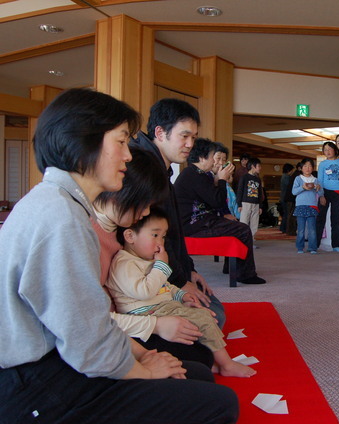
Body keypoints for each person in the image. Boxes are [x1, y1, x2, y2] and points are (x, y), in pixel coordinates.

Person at [0, 88, 238, 424]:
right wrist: (143, 369)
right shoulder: (61, 219)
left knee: (196, 376)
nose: (128, 156)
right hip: (35, 384)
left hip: (50, 365)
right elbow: (87, 340)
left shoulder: (56, 203)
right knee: (218, 403)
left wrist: (141, 355)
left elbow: (90, 324)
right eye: (121, 142)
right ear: (83, 142)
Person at [94, 147, 215, 368]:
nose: (147, 213)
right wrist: (156, 325)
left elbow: (161, 278)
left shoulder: (118, 227)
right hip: (119, 326)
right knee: (200, 363)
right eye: (145, 204)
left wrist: (179, 296)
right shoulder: (86, 234)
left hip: (132, 319)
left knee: (204, 345)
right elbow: (87, 321)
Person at [106, 209, 257, 378]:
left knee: (203, 315)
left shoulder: (145, 259)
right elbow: (145, 292)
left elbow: (165, 286)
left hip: (160, 307)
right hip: (146, 312)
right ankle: (226, 364)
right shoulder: (125, 263)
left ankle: (211, 359)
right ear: (130, 236)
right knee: (203, 319)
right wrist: (161, 266)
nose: (160, 244)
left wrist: (180, 295)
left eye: (163, 237)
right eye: (154, 235)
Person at [131, 98, 228, 323]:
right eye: (184, 136)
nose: (190, 144)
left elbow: (174, 233)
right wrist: (181, 281)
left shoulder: (162, 169)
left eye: (193, 137)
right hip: (146, 280)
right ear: (160, 132)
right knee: (214, 318)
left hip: (168, 274)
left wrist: (189, 272)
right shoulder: (143, 170)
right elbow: (152, 241)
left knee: (212, 307)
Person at [173, 138, 266, 285]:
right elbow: (218, 201)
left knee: (236, 226)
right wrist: (221, 180)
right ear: (202, 157)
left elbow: (213, 200)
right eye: (212, 157)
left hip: (199, 221)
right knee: (243, 229)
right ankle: (245, 274)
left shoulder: (194, 173)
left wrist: (217, 181)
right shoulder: (194, 175)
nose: (215, 162)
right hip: (193, 225)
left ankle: (233, 268)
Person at [316, 141, 339, 252]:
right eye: (325, 150)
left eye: (329, 149)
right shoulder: (322, 164)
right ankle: (315, 244)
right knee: (320, 219)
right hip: (325, 192)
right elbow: (319, 181)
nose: (327, 152)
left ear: (335, 149)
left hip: (338, 193)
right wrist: (321, 195)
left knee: (337, 219)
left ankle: (336, 245)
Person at [292, 158, 323, 254]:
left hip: (312, 206)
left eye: (310, 166)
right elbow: (294, 192)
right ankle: (300, 247)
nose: (307, 168)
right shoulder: (298, 179)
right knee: (301, 229)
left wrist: (318, 188)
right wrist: (302, 187)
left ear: (313, 168)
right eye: (305, 166)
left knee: (312, 229)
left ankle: (312, 248)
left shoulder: (316, 180)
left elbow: (321, 193)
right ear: (301, 168)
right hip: (300, 206)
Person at [237, 157, 264, 241]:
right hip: (245, 203)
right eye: (258, 166)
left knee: (254, 224)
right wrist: (239, 204)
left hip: (256, 204)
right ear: (253, 166)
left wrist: (260, 206)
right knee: (244, 222)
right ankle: (242, 240)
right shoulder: (244, 177)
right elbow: (240, 191)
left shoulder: (258, 179)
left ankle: (250, 240)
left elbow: (260, 193)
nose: (260, 168)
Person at [279, 163, 295, 232]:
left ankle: (283, 228)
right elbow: (289, 186)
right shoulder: (286, 177)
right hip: (285, 198)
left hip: (282, 197)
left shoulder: (283, 176)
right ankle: (284, 228)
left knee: (285, 213)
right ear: (289, 170)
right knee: (286, 213)